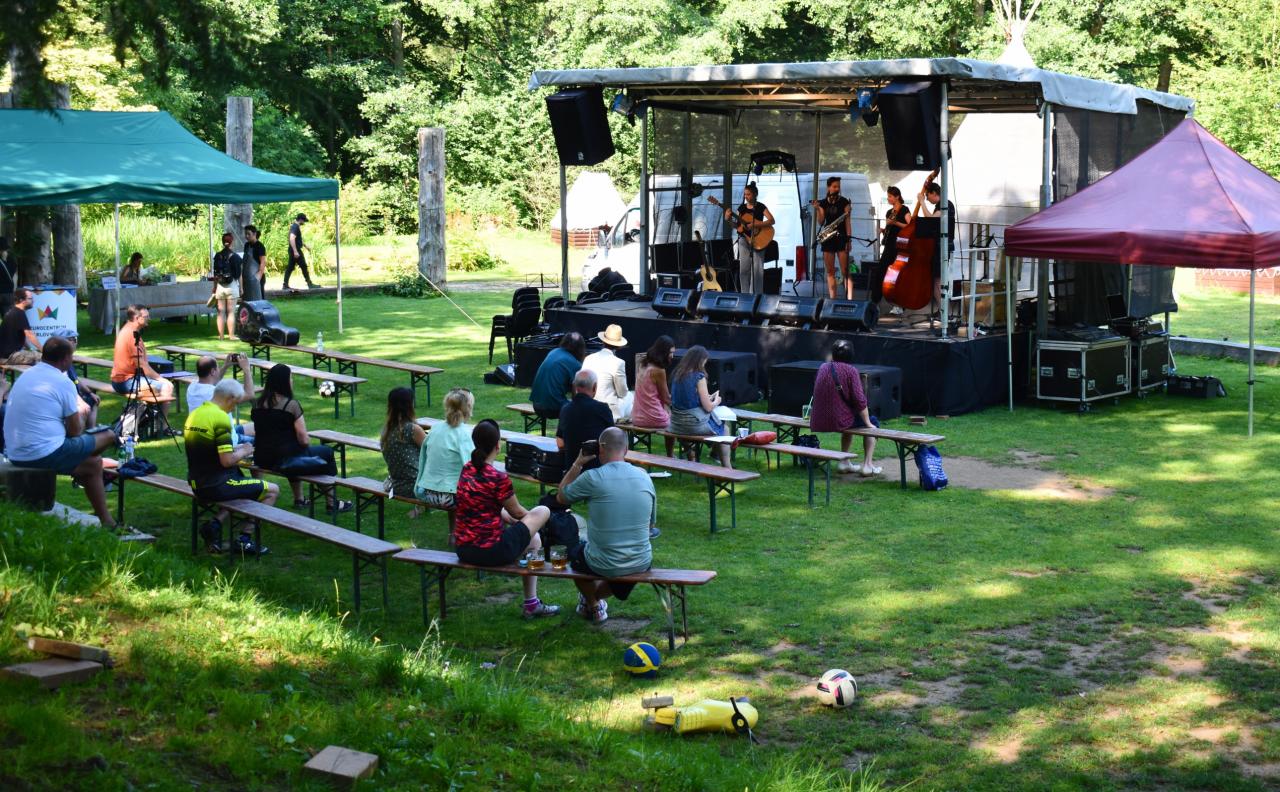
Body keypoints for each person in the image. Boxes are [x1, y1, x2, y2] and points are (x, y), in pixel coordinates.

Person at [3, 337, 131, 535]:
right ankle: (83, 471)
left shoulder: (27, 376)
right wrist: (82, 416)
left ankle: (107, 521)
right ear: (65, 359)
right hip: (43, 454)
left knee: (93, 464)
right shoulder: (63, 382)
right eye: (71, 357)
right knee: (108, 435)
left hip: (16, 452)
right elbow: (75, 431)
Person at [453, 419, 559, 618]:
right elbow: (518, 512)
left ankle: (531, 604)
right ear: (497, 445)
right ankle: (531, 602)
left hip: (464, 548)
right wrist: (531, 522)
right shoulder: (498, 478)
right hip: (492, 551)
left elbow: (484, 507)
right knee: (543, 510)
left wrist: (523, 527)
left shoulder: (466, 469)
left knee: (534, 539)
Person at [557, 427, 656, 624]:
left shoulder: (593, 477)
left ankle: (593, 603)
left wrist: (578, 463)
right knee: (618, 566)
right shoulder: (645, 476)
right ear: (626, 449)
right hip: (641, 560)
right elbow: (651, 526)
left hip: (602, 563)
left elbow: (561, 496)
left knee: (575, 552)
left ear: (600, 449)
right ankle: (594, 603)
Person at [184, 378, 278, 555]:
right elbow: (227, 461)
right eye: (235, 404)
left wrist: (235, 450)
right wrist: (245, 450)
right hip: (216, 485)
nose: (234, 408)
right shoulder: (220, 418)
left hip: (196, 482)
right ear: (230, 398)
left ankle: (214, 525)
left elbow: (209, 450)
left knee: (245, 483)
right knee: (272, 490)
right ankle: (244, 540)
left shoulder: (195, 415)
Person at [250, 364, 351, 512]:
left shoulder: (257, 404)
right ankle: (332, 502)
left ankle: (300, 499)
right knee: (326, 453)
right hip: (283, 460)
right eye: (290, 378)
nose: (292, 381)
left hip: (262, 458)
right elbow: (304, 439)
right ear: (284, 382)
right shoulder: (291, 405)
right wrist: (302, 447)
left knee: (295, 455)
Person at [809, 339, 881, 477]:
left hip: (818, 419)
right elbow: (860, 400)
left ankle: (844, 462)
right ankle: (867, 465)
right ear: (851, 354)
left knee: (848, 416)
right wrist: (868, 423)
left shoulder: (823, 367)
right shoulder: (851, 371)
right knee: (874, 422)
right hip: (838, 420)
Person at [415, 387, 474, 536]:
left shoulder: (435, 429)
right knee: (490, 493)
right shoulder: (463, 433)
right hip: (449, 497)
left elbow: (423, 458)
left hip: (428, 493)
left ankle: (453, 534)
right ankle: (478, 536)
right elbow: (472, 466)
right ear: (468, 409)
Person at [668, 345, 732, 468]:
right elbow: (708, 408)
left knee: (718, 423)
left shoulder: (677, 375)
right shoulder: (699, 377)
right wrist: (716, 401)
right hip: (693, 424)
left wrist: (707, 398)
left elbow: (685, 400)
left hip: (676, 424)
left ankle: (697, 455)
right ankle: (727, 467)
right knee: (725, 429)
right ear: (700, 360)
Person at [109, 304, 175, 423]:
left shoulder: (128, 330)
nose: (149, 318)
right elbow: (142, 365)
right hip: (125, 381)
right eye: (146, 316)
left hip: (123, 379)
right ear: (136, 318)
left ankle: (150, 422)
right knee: (167, 386)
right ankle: (162, 427)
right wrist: (161, 379)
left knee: (159, 386)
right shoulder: (131, 335)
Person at [187, 353, 255, 444]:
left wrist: (226, 366)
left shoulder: (192, 387)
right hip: (227, 440)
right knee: (264, 442)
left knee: (257, 426)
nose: (219, 369)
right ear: (213, 371)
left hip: (209, 434)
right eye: (218, 367)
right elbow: (249, 395)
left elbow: (214, 380)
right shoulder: (215, 393)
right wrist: (247, 369)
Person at [380, 386, 427, 514]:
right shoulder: (412, 429)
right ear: (409, 406)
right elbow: (432, 452)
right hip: (415, 487)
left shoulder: (386, 430)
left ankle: (419, 508)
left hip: (395, 485)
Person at [556, 369, 614, 468]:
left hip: (572, 470)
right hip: (597, 469)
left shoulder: (565, 409)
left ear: (574, 386)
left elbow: (560, 443)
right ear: (594, 387)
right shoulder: (602, 409)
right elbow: (612, 440)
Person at [724, 183, 774, 294]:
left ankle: (757, 296)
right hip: (744, 240)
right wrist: (728, 220)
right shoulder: (741, 208)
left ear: (755, 194)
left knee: (757, 270)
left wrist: (756, 224)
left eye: (748, 194)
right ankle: (745, 295)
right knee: (744, 269)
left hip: (759, 239)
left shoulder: (761, 207)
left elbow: (772, 220)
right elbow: (737, 226)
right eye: (745, 194)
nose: (746, 196)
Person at [630, 335, 675, 456]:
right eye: (671, 353)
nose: (672, 356)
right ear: (663, 352)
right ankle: (671, 455)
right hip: (653, 418)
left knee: (669, 414)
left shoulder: (643, 364)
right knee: (677, 422)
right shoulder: (659, 370)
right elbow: (666, 398)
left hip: (636, 417)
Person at [812, 177, 854, 300]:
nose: (837, 189)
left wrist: (849, 240)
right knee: (830, 271)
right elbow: (821, 222)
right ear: (828, 187)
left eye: (838, 186)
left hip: (841, 237)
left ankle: (849, 299)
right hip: (828, 238)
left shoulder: (844, 202)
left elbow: (848, 222)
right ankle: (832, 300)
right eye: (834, 186)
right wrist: (818, 209)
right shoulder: (823, 203)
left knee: (845, 271)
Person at [918, 172, 955, 311]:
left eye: (927, 196)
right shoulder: (941, 205)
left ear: (934, 193)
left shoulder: (944, 204)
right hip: (941, 245)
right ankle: (942, 310)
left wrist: (921, 202)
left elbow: (931, 220)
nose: (927, 199)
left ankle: (944, 311)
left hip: (942, 246)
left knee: (938, 280)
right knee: (937, 279)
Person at [48, 328, 99, 428]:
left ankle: (92, 431)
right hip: (65, 401)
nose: (75, 343)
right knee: (83, 409)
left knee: (94, 400)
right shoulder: (59, 362)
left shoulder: (65, 357)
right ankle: (78, 434)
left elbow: (75, 379)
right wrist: (81, 402)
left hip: (71, 397)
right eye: (73, 340)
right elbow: (65, 388)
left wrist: (90, 393)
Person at [530, 332, 586, 420]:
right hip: (553, 408)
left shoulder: (554, 352)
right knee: (583, 409)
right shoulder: (575, 364)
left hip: (536, 405)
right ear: (580, 348)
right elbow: (577, 396)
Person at [871, 186, 911, 308]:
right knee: (880, 271)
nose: (888, 199)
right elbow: (890, 229)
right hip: (889, 244)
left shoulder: (904, 210)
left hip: (899, 246)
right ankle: (875, 301)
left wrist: (895, 223)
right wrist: (884, 230)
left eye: (890, 196)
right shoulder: (889, 212)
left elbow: (910, 226)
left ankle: (899, 303)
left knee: (897, 275)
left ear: (897, 197)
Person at [582, 324, 629, 419]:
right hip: (607, 410)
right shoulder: (619, 363)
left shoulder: (588, 358)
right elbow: (622, 393)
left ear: (603, 341)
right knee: (630, 396)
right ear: (619, 346)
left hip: (587, 405)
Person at [211, 232, 243, 340]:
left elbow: (215, 274)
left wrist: (214, 287)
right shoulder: (236, 257)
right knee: (231, 312)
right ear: (232, 242)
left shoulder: (217, 256)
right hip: (232, 286)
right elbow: (239, 275)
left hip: (220, 286)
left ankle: (220, 336)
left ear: (222, 242)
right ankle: (231, 335)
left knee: (220, 312)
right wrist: (241, 288)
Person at [0, 287, 40, 365]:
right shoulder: (19, 313)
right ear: (22, 300)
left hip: (6, 355)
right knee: (44, 357)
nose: (33, 301)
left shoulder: (13, 311)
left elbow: (20, 336)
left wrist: (30, 348)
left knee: (35, 355)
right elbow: (30, 335)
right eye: (30, 299)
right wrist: (43, 351)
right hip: (10, 357)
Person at [284, 213, 316, 290]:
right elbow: (292, 238)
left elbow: (297, 239)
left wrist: (305, 246)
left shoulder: (295, 226)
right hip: (295, 250)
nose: (304, 222)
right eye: (304, 221)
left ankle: (285, 285)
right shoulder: (295, 227)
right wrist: (295, 251)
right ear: (301, 220)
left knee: (290, 267)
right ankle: (309, 284)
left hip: (293, 250)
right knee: (303, 266)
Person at [242, 225, 267, 302]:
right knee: (247, 300)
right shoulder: (246, 245)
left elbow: (263, 262)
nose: (246, 236)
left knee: (259, 300)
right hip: (247, 277)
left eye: (248, 234)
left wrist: (259, 275)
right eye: (245, 234)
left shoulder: (260, 246)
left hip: (257, 277)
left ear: (254, 234)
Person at [0, 236, 15, 315]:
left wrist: (4, 261)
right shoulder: (11, 260)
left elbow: (12, 274)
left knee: (8, 318)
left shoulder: (10, 261)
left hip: (7, 293)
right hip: (8, 293)